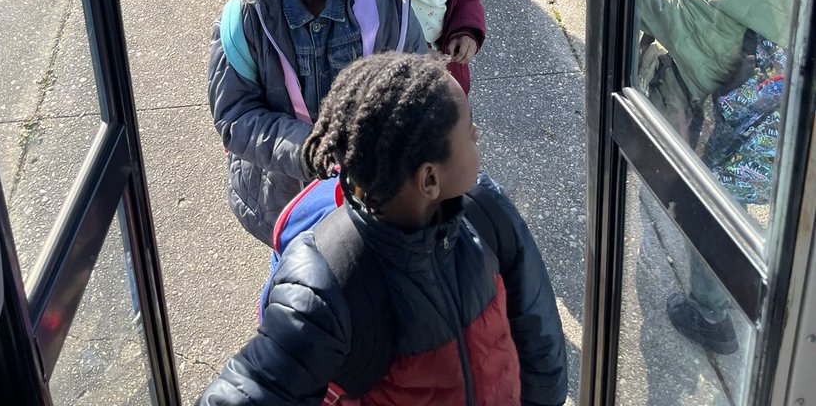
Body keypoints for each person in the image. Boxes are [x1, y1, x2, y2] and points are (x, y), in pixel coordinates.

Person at [196, 52, 568, 406]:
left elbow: (537, 327)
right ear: (430, 180)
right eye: (469, 130)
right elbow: (252, 387)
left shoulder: (485, 209)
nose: (478, 134)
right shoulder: (328, 282)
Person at [534, 0, 794, 353]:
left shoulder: (690, 4)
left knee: (706, 220)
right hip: (774, 130)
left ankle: (710, 316)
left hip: (718, 137)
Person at [207, 0, 428, 245]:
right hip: (286, 199)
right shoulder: (247, 18)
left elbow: (418, 82)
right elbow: (236, 116)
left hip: (374, 191)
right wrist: (311, 151)